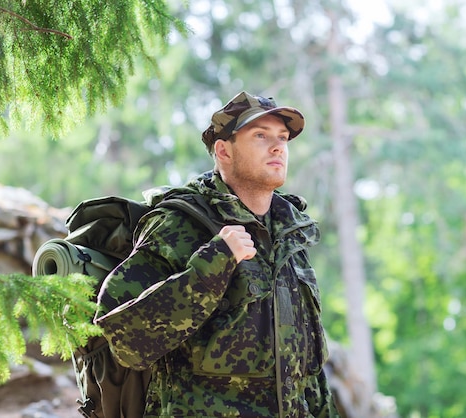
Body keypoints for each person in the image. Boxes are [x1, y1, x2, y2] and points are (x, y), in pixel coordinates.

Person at [94, 91, 341, 417]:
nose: (278, 146)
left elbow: (306, 371)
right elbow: (126, 341)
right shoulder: (179, 224)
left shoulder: (290, 234)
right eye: (260, 136)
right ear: (224, 151)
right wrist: (214, 263)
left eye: (282, 137)